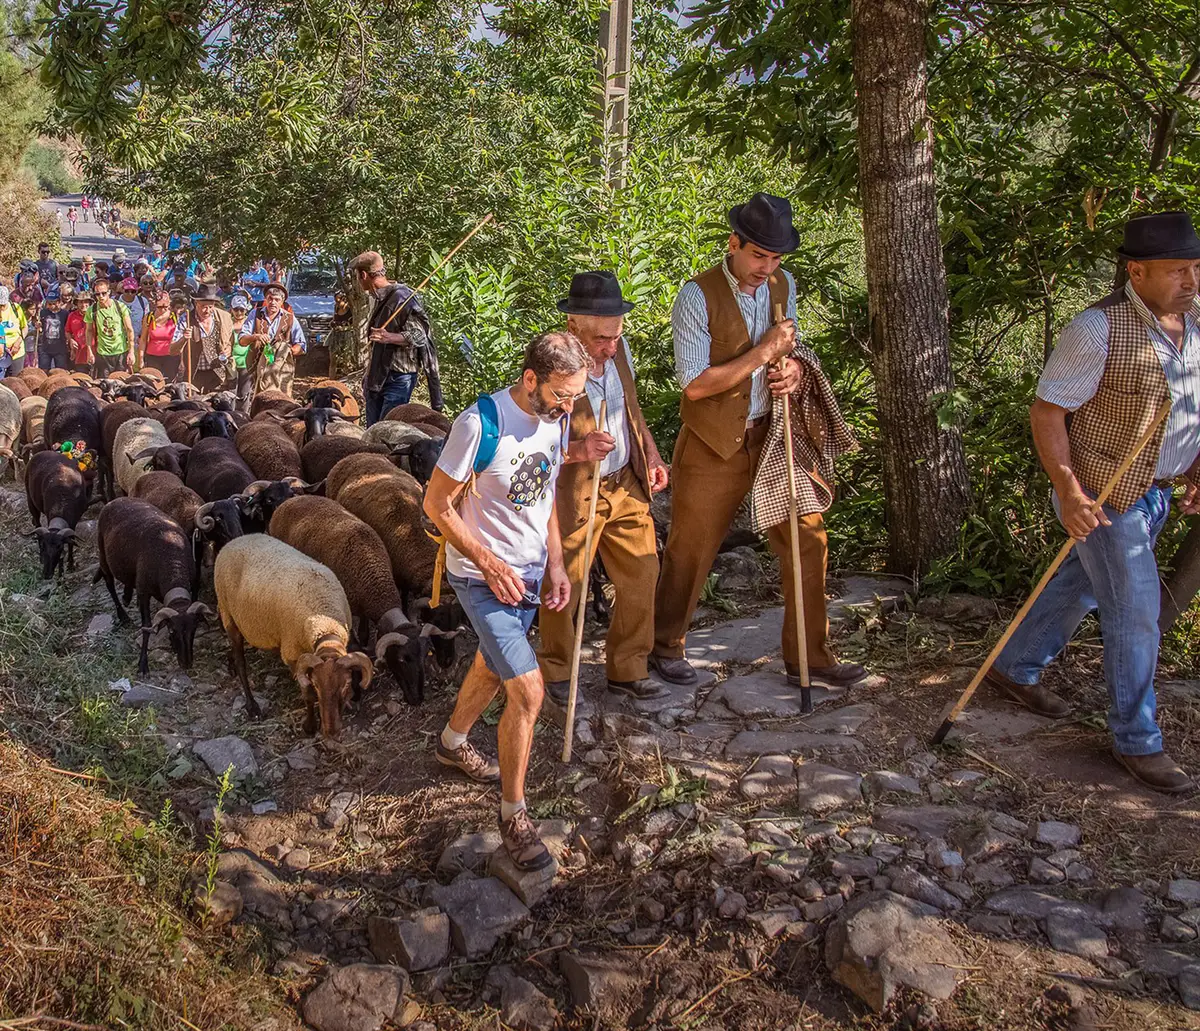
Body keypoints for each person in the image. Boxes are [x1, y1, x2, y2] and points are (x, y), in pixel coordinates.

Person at [984, 212, 1200, 793]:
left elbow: (1189, 410)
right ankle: (1138, 740)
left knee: (1080, 582)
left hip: (1157, 491)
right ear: (1137, 271)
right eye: (1177, 269)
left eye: (1196, 267)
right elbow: (1048, 410)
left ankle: (1013, 667)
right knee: (1135, 613)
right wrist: (1068, 490)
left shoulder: (1198, 325)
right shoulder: (1097, 329)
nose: (1191, 280)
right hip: (1103, 496)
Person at [653, 192, 863, 693]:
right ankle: (664, 646)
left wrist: (791, 368)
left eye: (775, 259)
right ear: (734, 244)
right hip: (711, 443)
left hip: (774, 437)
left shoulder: (783, 285)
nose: (765, 268)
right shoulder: (695, 296)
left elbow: (792, 347)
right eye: (757, 256)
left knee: (807, 540)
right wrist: (764, 351)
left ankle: (810, 658)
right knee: (691, 548)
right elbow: (696, 383)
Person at [423, 331, 587, 871]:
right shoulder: (480, 423)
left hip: (531, 573)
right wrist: (488, 562)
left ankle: (451, 742)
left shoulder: (556, 420)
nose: (569, 408)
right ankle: (514, 815)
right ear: (530, 378)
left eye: (576, 398)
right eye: (562, 396)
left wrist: (557, 563)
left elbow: (543, 503)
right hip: (480, 577)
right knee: (529, 692)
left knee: (493, 668)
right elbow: (436, 504)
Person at [536, 272, 670, 704]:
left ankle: (628, 669)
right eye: (602, 340)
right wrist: (577, 448)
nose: (611, 348)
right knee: (565, 584)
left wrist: (649, 453)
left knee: (643, 573)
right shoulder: (549, 364)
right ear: (574, 327)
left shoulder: (619, 350)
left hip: (624, 482)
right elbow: (529, 443)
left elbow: (632, 408)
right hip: (574, 492)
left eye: (616, 337)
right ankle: (555, 670)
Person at [349, 250, 443, 424]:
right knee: (372, 431)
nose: (356, 281)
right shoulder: (378, 298)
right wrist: (368, 373)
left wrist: (389, 337)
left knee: (387, 430)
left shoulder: (403, 298)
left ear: (363, 275)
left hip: (399, 378)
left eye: (356, 276)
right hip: (377, 376)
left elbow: (420, 336)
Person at [241, 281, 305, 395]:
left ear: (282, 302)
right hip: (255, 367)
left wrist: (285, 351)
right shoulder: (255, 314)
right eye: (270, 299)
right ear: (265, 299)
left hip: (280, 371)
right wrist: (256, 336)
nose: (273, 302)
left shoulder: (290, 318)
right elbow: (242, 340)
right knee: (256, 400)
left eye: (277, 300)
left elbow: (302, 345)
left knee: (279, 400)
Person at [187, 282, 234, 392]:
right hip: (194, 373)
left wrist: (228, 350)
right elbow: (173, 349)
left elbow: (230, 341)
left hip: (217, 373)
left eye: (210, 307)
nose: (207, 310)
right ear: (196, 303)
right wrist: (184, 338)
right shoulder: (187, 318)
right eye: (203, 307)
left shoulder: (224, 318)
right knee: (195, 406)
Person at [85, 278, 135, 377]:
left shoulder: (120, 307)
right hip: (103, 353)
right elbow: (89, 331)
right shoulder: (92, 310)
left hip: (120, 351)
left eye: (103, 293)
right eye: (97, 294)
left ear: (109, 292)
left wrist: (131, 352)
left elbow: (129, 330)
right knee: (104, 383)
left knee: (121, 381)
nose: (101, 296)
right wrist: (89, 351)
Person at [138, 287, 181, 379]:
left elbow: (180, 339)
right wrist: (141, 358)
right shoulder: (149, 317)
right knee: (153, 382)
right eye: (160, 307)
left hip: (171, 356)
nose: (163, 310)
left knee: (169, 383)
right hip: (152, 356)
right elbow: (143, 339)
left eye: (165, 307)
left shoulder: (175, 317)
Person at [228, 293, 254, 411]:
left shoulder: (250, 324)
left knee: (244, 393)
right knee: (231, 393)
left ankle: (242, 417)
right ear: (231, 309)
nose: (239, 312)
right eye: (236, 309)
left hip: (246, 363)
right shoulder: (227, 323)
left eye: (242, 309)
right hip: (231, 363)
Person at [39, 286, 71, 371]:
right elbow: (40, 327)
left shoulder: (65, 314)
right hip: (45, 347)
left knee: (60, 371)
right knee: (44, 370)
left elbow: (68, 329)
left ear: (59, 302)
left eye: (54, 303)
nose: (52, 306)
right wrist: (38, 326)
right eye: (49, 304)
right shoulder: (43, 312)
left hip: (60, 347)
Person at [0, 287, 27, 379]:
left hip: (17, 352)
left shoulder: (16, 308)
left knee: (15, 381)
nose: (1, 308)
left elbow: (24, 327)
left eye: (3, 305)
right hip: (1, 353)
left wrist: (18, 341)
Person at [67, 290, 92, 373]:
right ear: (77, 304)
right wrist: (71, 340)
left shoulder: (95, 315)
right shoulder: (72, 316)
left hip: (93, 353)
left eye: (86, 302)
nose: (83, 305)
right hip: (78, 354)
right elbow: (67, 331)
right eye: (80, 302)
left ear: (89, 303)